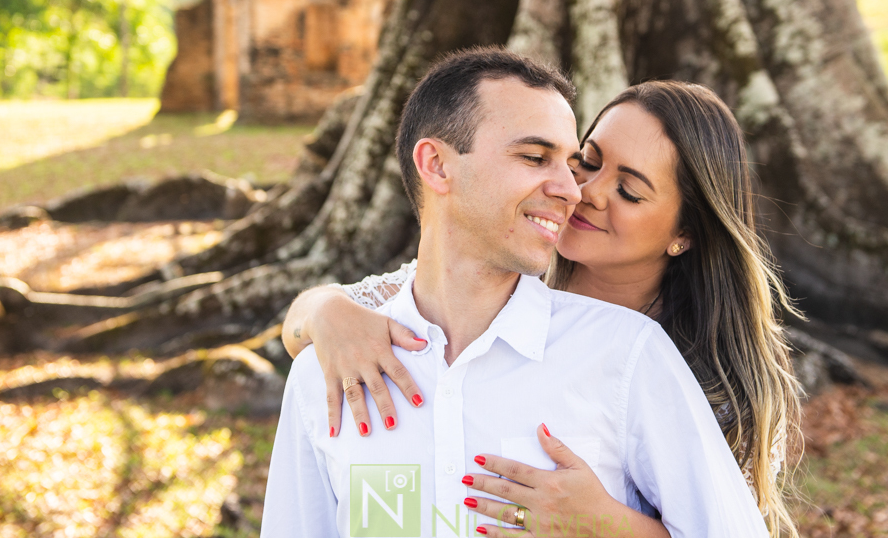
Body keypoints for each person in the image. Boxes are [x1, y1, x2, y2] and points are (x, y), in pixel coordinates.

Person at [262, 48, 768, 538]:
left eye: (630, 192)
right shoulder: (342, 362)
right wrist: (326, 312)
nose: (580, 191)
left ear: (684, 234)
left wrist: (608, 528)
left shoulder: (643, 356)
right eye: (583, 162)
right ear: (437, 165)